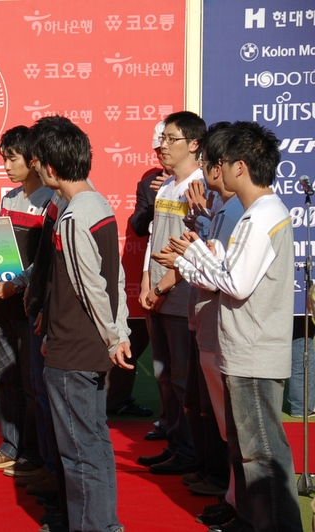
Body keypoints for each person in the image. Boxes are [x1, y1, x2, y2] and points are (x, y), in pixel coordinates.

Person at [162, 122, 302, 532]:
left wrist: (192, 256)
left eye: (220, 162)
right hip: (245, 346)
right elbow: (234, 273)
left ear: (240, 166)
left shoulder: (260, 216)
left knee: (262, 454)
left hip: (253, 348)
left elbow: (235, 283)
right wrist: (200, 257)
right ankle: (248, 517)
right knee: (246, 448)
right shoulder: (261, 213)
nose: (215, 170)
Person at [31, 115, 132, 532]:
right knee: (94, 444)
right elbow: (115, 279)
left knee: (79, 452)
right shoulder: (99, 204)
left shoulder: (73, 218)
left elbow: (90, 286)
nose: (35, 169)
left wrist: (113, 336)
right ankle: (105, 524)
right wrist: (119, 333)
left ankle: (95, 526)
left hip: (74, 352)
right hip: (86, 347)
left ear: (51, 168)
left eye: (38, 163)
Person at [153, 123, 241, 526]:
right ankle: (215, 478)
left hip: (213, 318)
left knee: (221, 414)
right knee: (195, 398)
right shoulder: (197, 198)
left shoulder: (234, 209)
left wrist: (175, 270)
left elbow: (222, 269)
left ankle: (227, 486)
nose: (163, 146)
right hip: (197, 312)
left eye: (209, 163)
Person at [0, 126, 52, 476]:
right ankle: (10, 445)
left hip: (30, 306)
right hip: (4, 304)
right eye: (4, 159)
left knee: (32, 383)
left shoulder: (51, 201)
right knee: (5, 376)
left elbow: (46, 259)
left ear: (33, 160)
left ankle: (34, 453)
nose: (6, 166)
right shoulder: (8, 199)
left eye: (12, 158)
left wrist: (18, 285)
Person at [137, 111, 206, 475]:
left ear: (194, 144)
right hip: (157, 295)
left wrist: (163, 286)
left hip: (180, 298)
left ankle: (192, 451)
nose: (162, 145)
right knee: (164, 375)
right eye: (162, 139)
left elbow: (194, 245)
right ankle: (176, 444)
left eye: (170, 139)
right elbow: (154, 239)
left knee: (181, 379)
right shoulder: (165, 187)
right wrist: (146, 282)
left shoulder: (199, 187)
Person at [107, 121, 166, 424]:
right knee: (149, 349)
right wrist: (160, 200)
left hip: (193, 275)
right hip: (153, 274)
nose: (161, 153)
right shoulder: (149, 183)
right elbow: (139, 227)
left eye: (166, 145)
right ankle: (166, 421)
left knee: (182, 359)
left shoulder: (201, 179)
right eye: (157, 148)